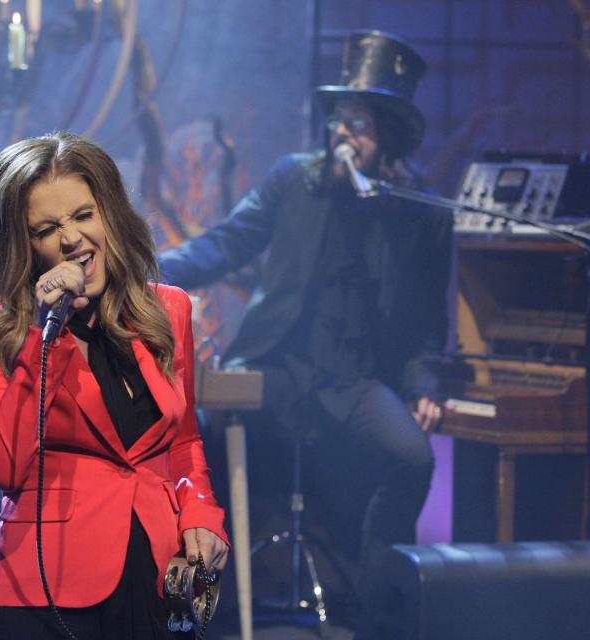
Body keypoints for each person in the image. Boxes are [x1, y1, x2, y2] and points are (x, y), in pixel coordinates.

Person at [158, 30, 451, 631]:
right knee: (200, 444)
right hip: (274, 370)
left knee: (412, 458)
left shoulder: (419, 212)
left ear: (388, 136)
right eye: (340, 120)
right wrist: (146, 271)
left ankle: (374, 613)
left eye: (361, 123)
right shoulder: (296, 179)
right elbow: (226, 243)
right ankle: (204, 612)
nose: (345, 133)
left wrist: (423, 381)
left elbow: (427, 317)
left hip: (354, 383)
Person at [0, 131, 229, 639]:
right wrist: (44, 333)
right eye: (47, 228)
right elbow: (0, 465)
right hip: (42, 592)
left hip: (154, 583)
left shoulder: (167, 310)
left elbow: (183, 442)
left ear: (110, 216)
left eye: (84, 215)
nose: (72, 239)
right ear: (21, 244)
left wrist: (202, 513)